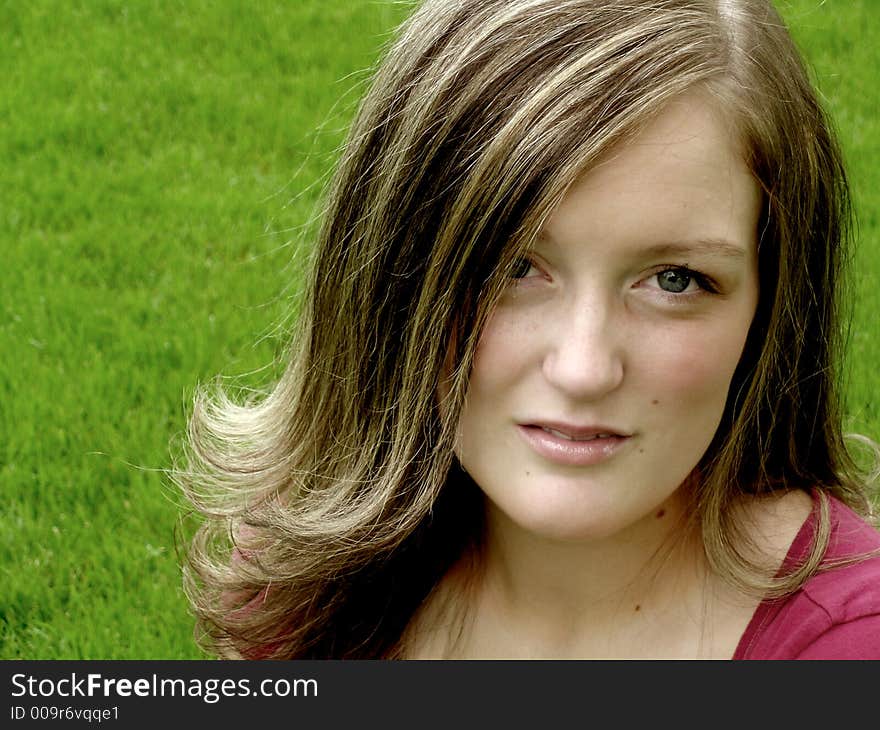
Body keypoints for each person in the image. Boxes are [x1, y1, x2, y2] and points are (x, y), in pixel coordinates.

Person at [176, 0, 880, 659]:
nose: (583, 368)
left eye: (674, 279)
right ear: (391, 278)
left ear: (771, 307)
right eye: (513, 266)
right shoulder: (308, 574)